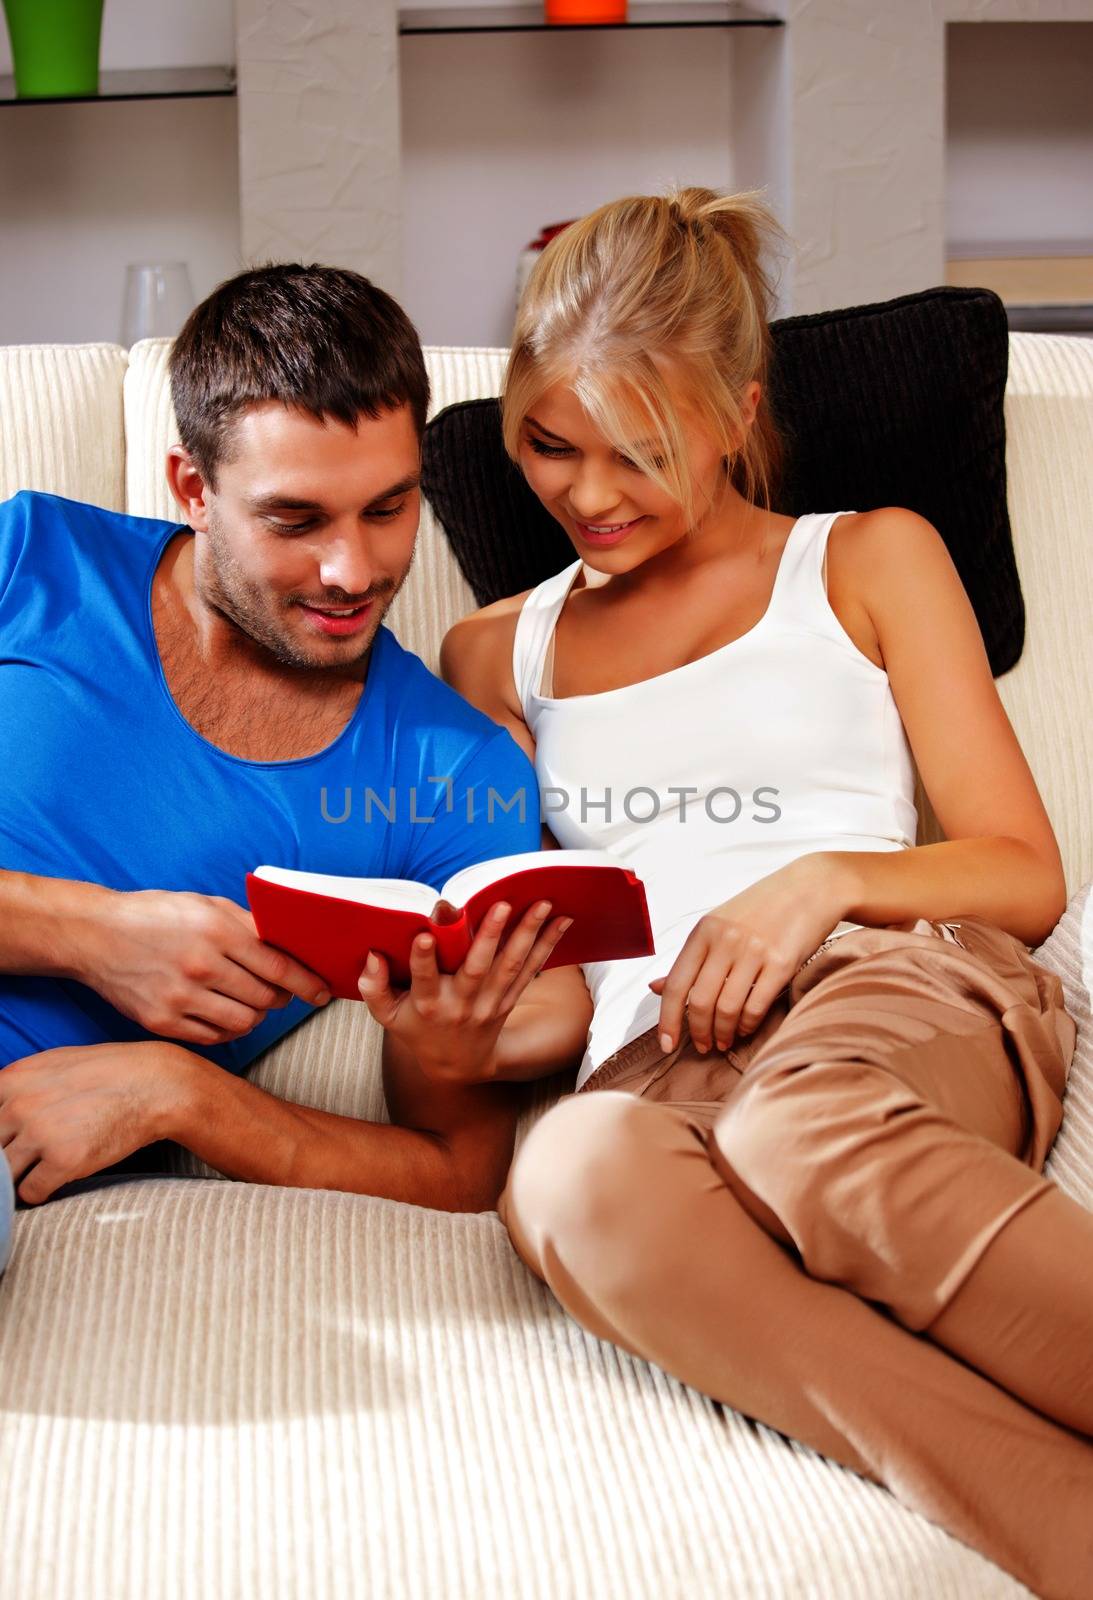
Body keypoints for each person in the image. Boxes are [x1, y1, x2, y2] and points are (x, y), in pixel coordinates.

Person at [410, 188, 1092, 1596]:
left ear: (734, 412)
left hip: (883, 989)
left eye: (639, 453)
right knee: (569, 1175)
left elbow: (1025, 873)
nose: (586, 496)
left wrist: (814, 887)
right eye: (547, 443)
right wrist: (466, 1018)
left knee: (800, 1125)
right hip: (651, 1061)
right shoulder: (492, 655)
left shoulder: (865, 558)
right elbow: (537, 962)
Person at [0, 263, 592, 1226]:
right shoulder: (28, 558)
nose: (351, 571)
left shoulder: (451, 772)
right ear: (192, 487)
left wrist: (179, 1093)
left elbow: (454, 1172)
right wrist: (94, 935)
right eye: (294, 519)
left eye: (387, 508)